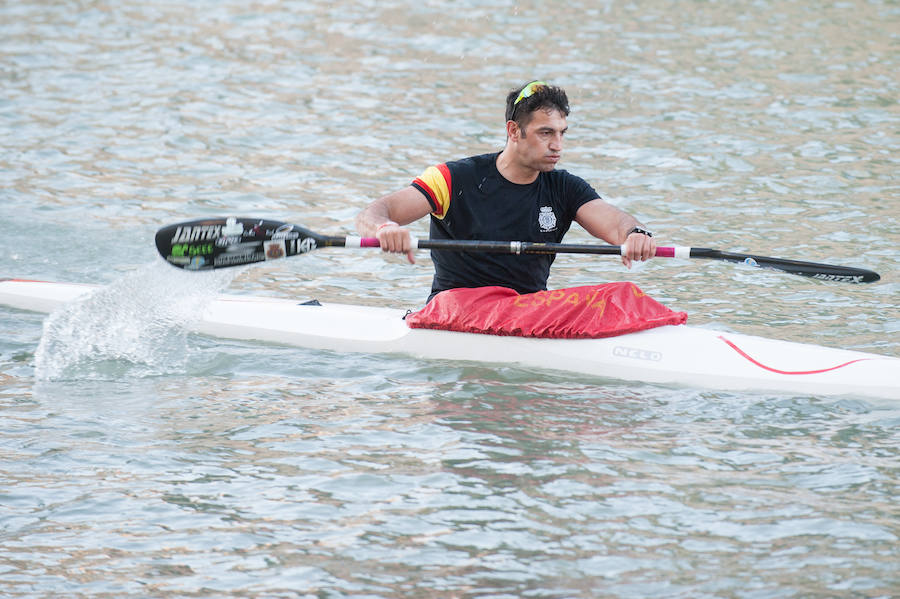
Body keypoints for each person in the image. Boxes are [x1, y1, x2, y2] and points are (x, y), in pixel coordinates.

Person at [355, 80, 656, 302]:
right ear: (514, 131)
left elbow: (617, 224)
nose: (557, 146)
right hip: (456, 311)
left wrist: (636, 235)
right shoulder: (452, 179)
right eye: (546, 133)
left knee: (624, 297)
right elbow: (375, 213)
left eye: (562, 133)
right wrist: (384, 227)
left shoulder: (564, 187)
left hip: (527, 313)